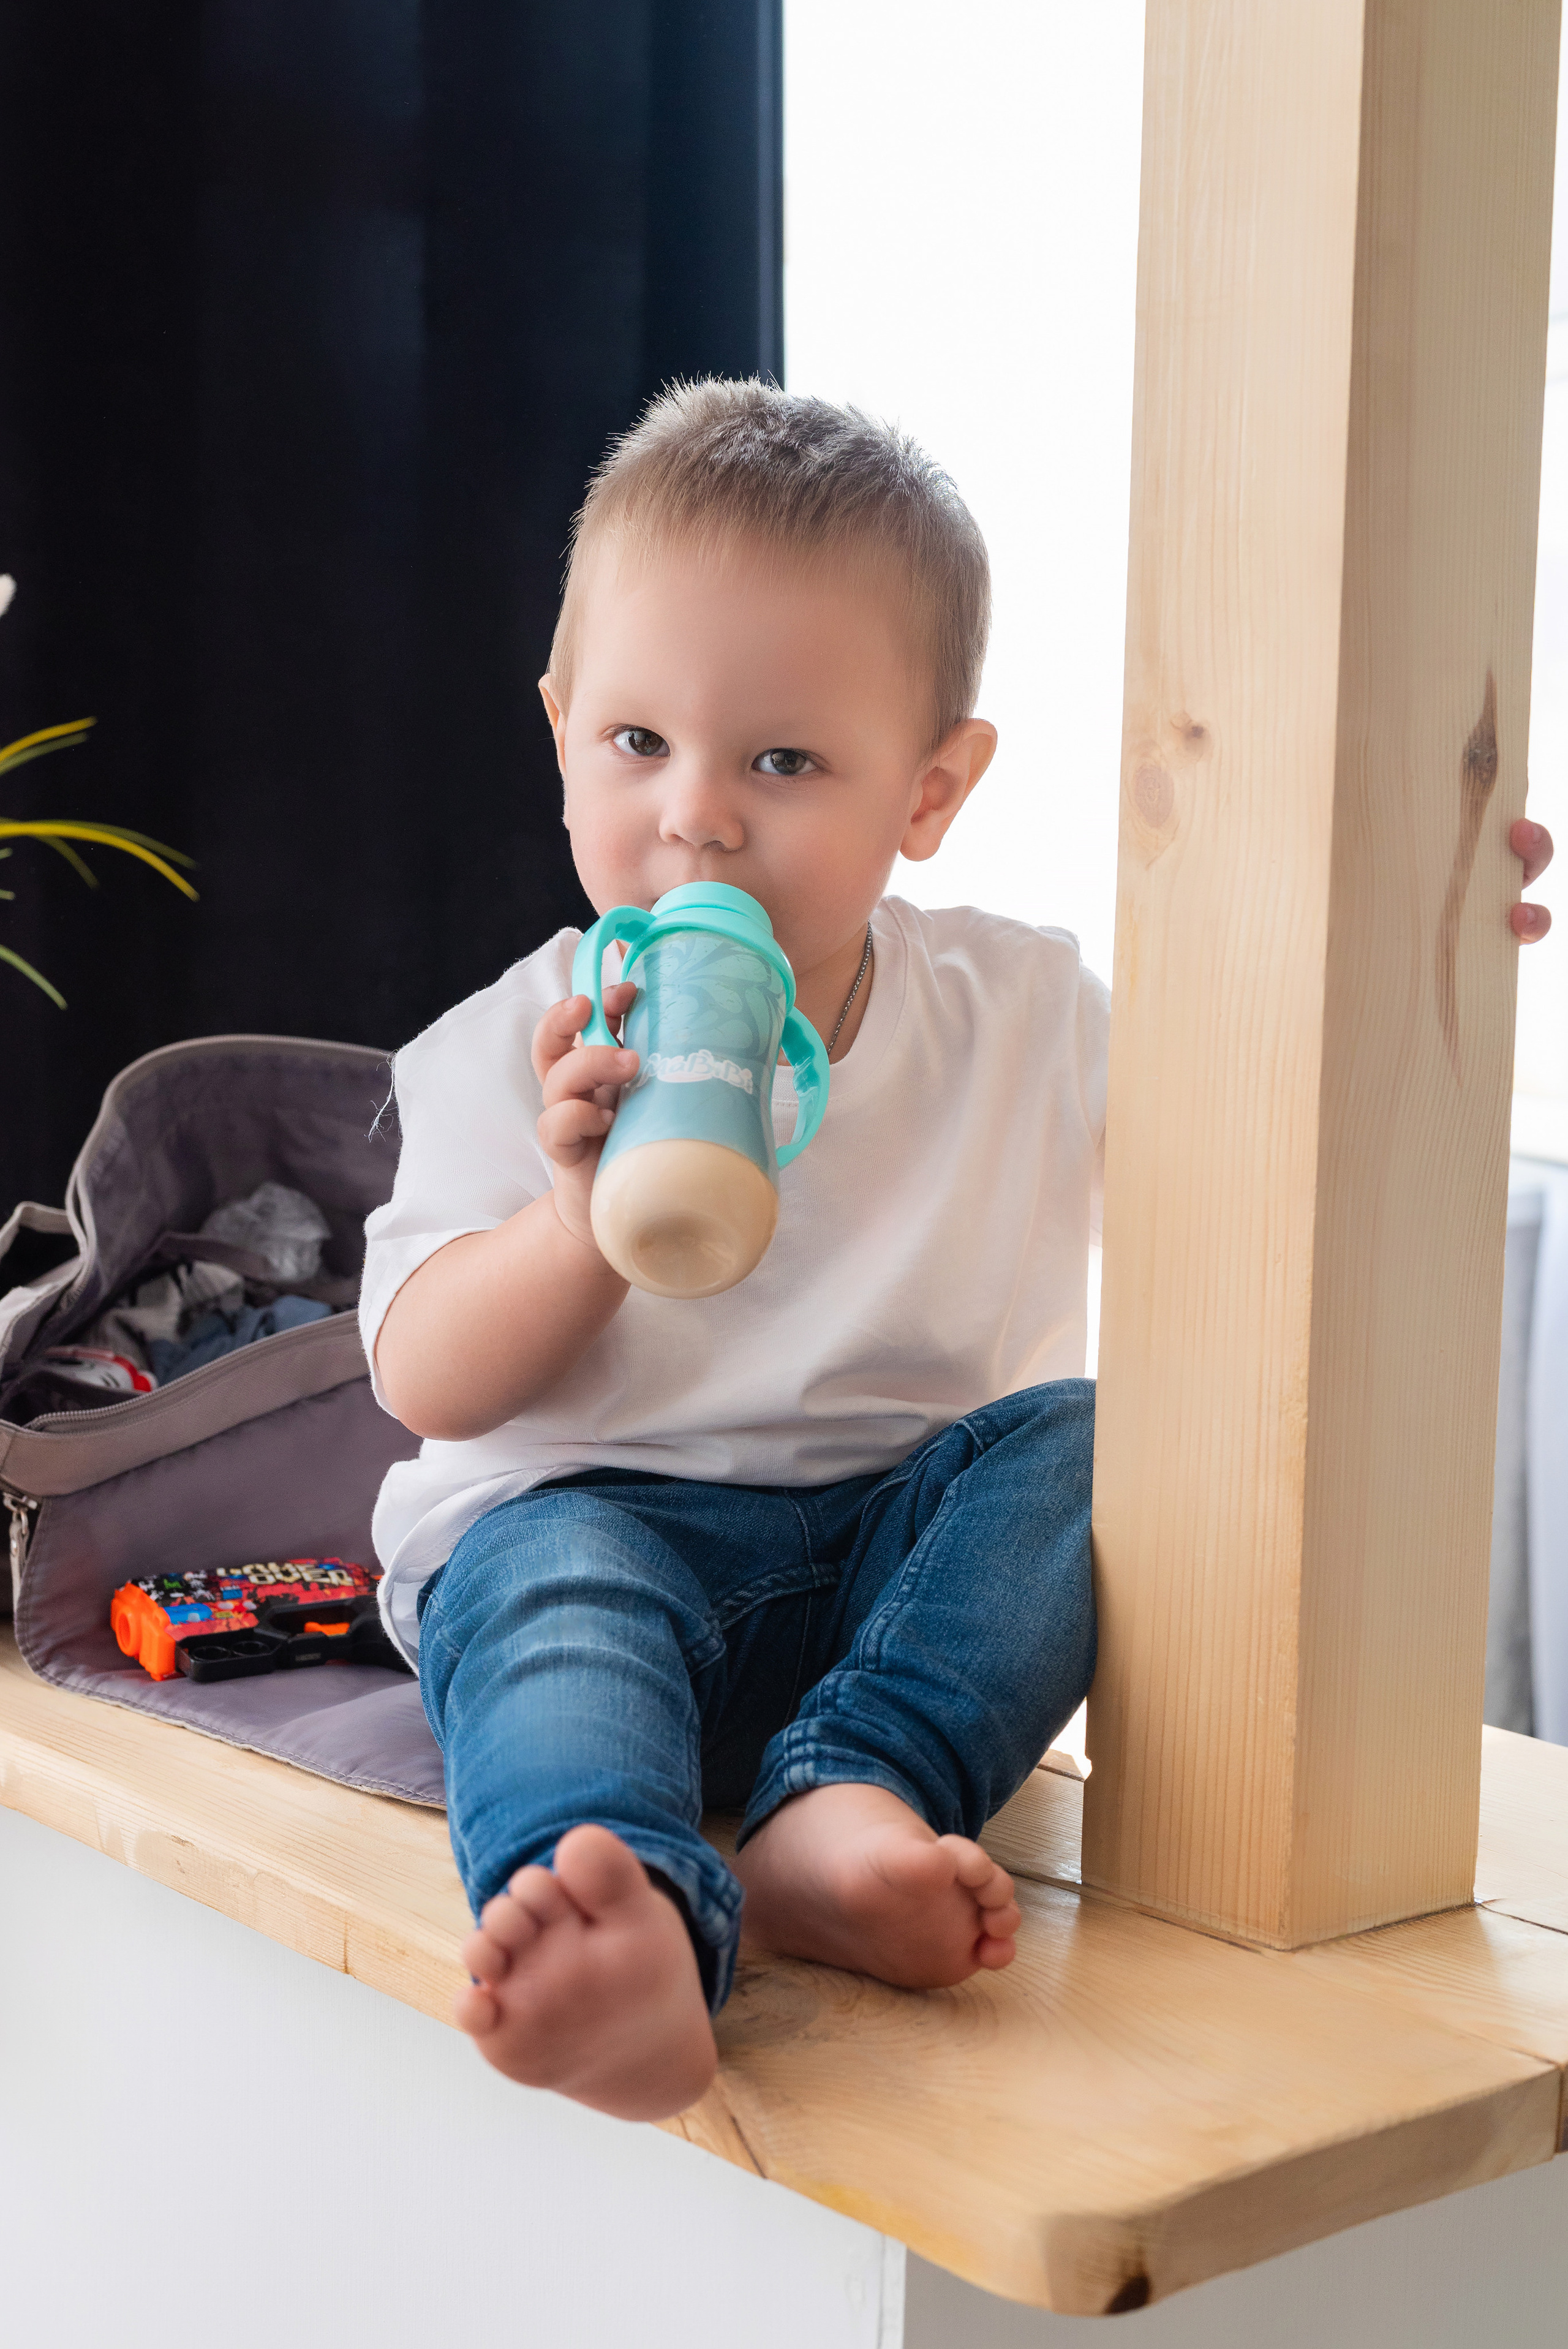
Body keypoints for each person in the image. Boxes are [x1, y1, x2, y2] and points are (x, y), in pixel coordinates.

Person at [363, 380, 1555, 2124]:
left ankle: (843, 1803)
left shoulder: (1014, 1014)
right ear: (559, 731)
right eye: (638, 744)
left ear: (930, 790)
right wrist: (575, 1220)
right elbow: (423, 1376)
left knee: (1086, 1441)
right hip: (590, 1515)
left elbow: (1258, 1138)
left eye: (782, 761)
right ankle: (620, 1923)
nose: (695, 817)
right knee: (556, 1624)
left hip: (894, 1559)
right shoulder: (512, 1044)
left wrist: (1409, 953)